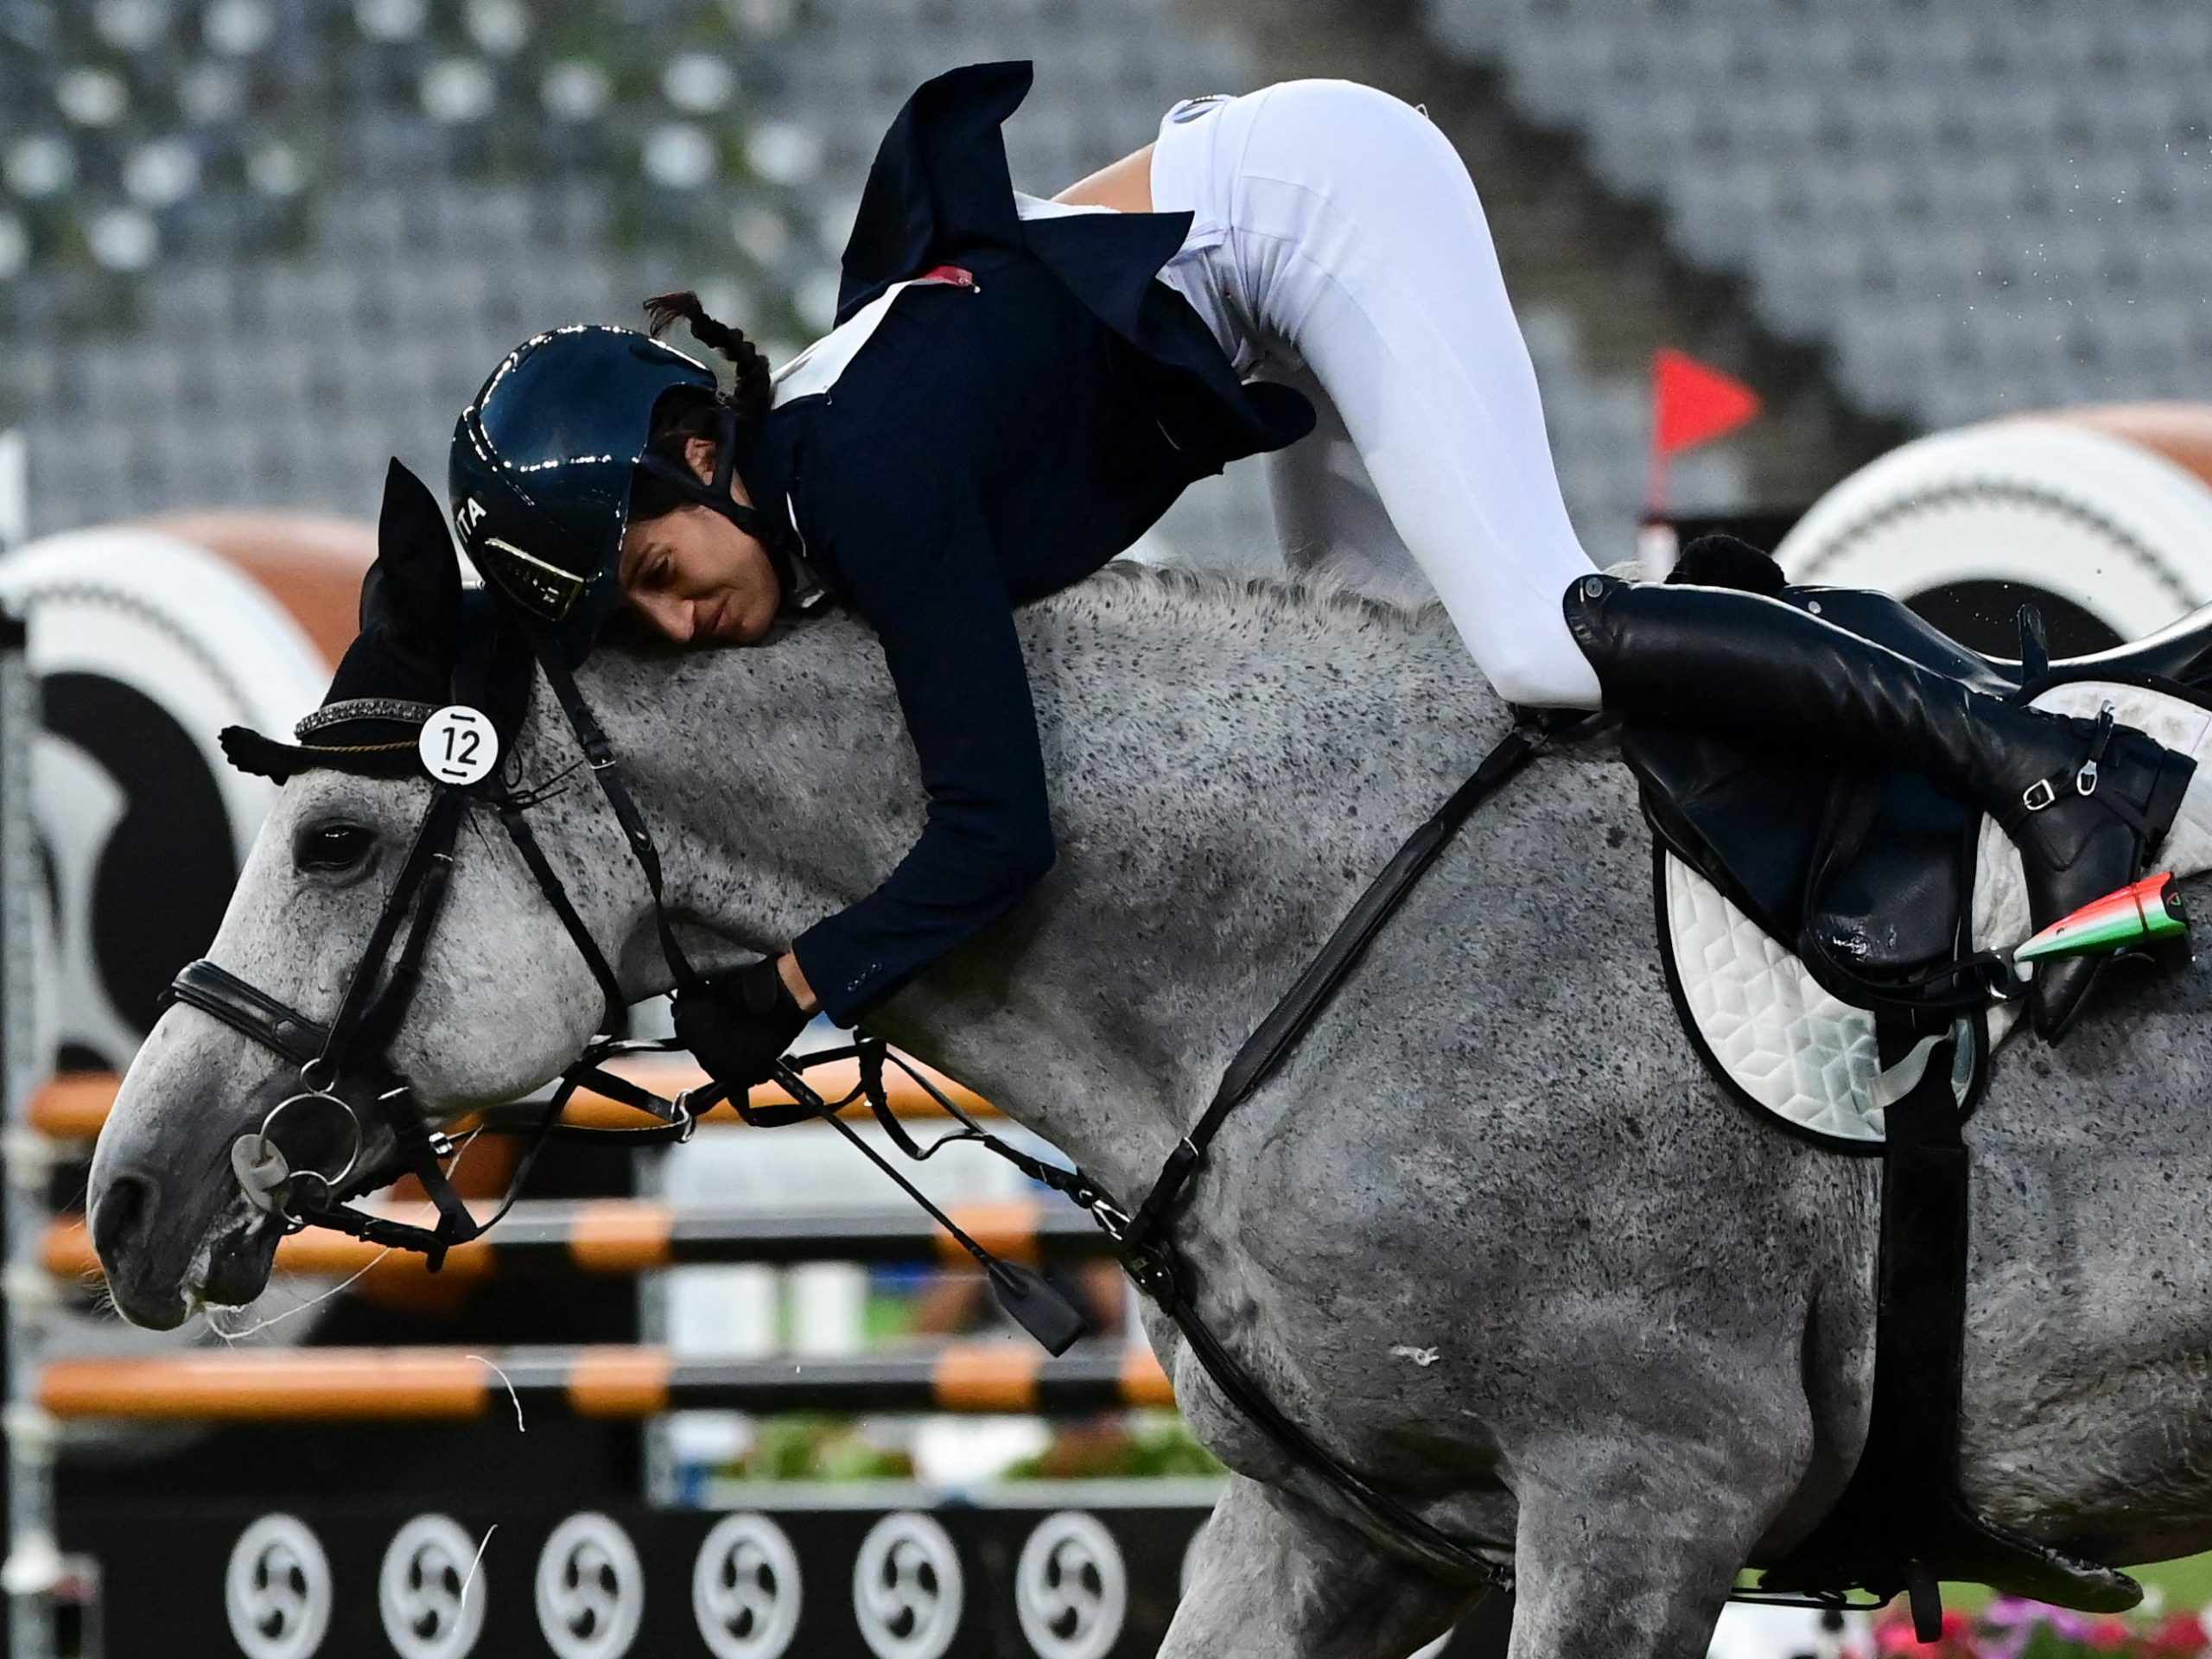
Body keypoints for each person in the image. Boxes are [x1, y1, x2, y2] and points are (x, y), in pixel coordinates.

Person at [448, 62, 2190, 1095]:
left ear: (697, 453)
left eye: (660, 577)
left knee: (1529, 652)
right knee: (1405, 719)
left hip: (1312, 203)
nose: (682, 626)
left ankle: (2050, 768)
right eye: (639, 628)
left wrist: (796, 988)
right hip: (1248, 276)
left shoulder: (868, 479)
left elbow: (997, 837)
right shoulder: (799, 494)